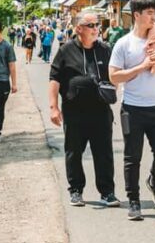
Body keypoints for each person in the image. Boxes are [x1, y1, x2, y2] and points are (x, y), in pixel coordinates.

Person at [109, 0, 155, 221]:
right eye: (148, 13)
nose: (153, 17)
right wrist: (142, 66)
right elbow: (114, 77)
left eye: (154, 13)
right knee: (132, 156)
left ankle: (154, 180)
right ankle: (134, 201)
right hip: (133, 108)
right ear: (136, 15)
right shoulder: (123, 44)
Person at [49, 12, 119, 208]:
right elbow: (54, 78)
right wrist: (54, 107)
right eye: (91, 25)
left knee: (104, 153)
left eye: (98, 24)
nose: (96, 28)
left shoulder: (105, 49)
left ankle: (107, 192)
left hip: (100, 111)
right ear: (78, 28)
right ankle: (76, 190)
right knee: (74, 151)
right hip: (74, 111)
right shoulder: (66, 50)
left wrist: (114, 90)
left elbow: (115, 75)